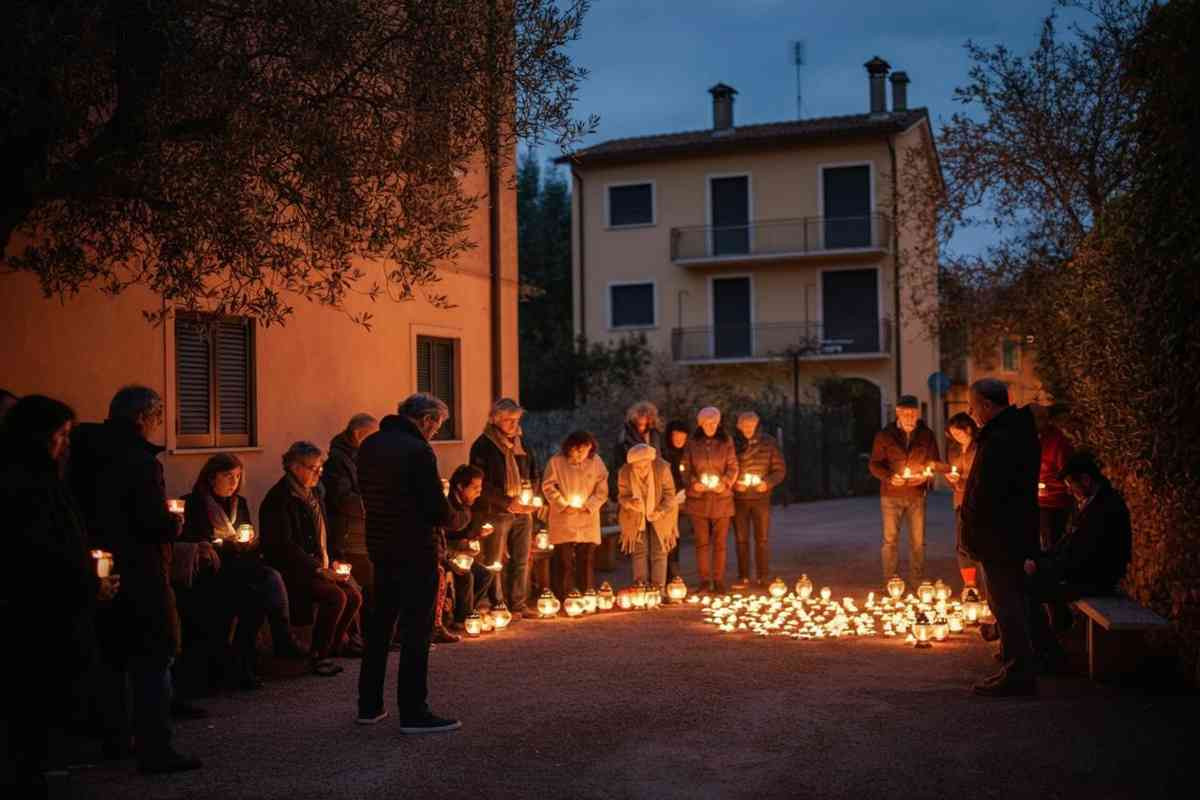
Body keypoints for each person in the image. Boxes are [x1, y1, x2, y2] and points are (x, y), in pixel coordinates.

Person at [69, 386, 201, 773]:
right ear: (144, 418)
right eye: (158, 418)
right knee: (152, 656)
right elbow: (149, 521)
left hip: (101, 568)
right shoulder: (140, 462)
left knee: (112, 656)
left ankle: (114, 737)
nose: (158, 426)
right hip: (142, 569)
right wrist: (173, 522)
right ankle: (155, 746)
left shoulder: (83, 454)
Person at [1, 395, 114, 793]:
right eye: (60, 435)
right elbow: (38, 557)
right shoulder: (25, 486)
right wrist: (87, 582)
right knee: (31, 718)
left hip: (56, 611)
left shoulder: (48, 480)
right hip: (36, 619)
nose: (65, 444)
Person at [357, 393, 469, 733]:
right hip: (415, 549)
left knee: (379, 629)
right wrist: (459, 518)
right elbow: (435, 508)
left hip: (380, 547)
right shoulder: (418, 450)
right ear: (426, 419)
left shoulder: (370, 445)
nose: (435, 431)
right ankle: (413, 711)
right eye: (437, 425)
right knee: (416, 632)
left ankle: (369, 705)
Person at [180, 454, 306, 692]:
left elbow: (247, 540)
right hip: (211, 576)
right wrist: (227, 545)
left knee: (264, 588)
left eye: (237, 476)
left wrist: (249, 544)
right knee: (264, 588)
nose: (233, 482)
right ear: (211, 477)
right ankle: (278, 640)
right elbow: (195, 543)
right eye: (228, 476)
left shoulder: (241, 503)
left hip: (239, 570)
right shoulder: (193, 504)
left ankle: (244, 664)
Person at [961, 379, 1041, 697]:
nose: (970, 411)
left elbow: (990, 493)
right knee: (1006, 601)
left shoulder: (1002, 438)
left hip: (1000, 537)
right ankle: (1013, 666)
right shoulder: (1011, 432)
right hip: (1005, 534)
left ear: (987, 405)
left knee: (1005, 603)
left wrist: (973, 528)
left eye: (973, 405)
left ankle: (1019, 674)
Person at [260, 442, 362, 677]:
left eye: (320, 468)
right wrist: (318, 569)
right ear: (294, 467)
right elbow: (283, 546)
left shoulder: (315, 493)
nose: (319, 473)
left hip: (320, 565)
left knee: (354, 595)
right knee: (335, 596)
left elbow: (325, 532)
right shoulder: (279, 499)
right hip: (295, 570)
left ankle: (333, 645)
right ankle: (318, 655)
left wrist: (335, 560)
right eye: (313, 468)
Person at [1023, 453, 1132, 670]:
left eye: (1071, 485)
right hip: (1084, 571)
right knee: (1031, 582)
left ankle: (1050, 655)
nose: (1069, 491)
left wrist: (1043, 567)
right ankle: (1047, 644)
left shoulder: (1105, 508)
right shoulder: (1091, 502)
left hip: (1097, 578)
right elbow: (1067, 544)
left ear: (1086, 480)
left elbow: (1081, 554)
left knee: (1029, 590)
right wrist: (1040, 559)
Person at [469, 398, 538, 616]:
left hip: (522, 511)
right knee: (494, 561)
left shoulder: (522, 443)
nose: (513, 424)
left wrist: (531, 495)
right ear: (495, 420)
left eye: (516, 419)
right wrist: (508, 502)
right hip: (496, 511)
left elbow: (534, 470)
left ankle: (518, 603)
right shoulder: (483, 445)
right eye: (508, 420)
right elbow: (482, 483)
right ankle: (497, 604)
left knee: (521, 559)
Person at [868, 394, 941, 584]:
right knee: (890, 541)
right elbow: (874, 464)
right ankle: (890, 582)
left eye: (913, 413)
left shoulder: (927, 435)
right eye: (905, 413)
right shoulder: (884, 435)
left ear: (918, 414)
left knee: (917, 542)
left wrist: (925, 476)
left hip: (917, 495)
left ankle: (917, 582)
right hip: (890, 495)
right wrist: (889, 477)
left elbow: (934, 462)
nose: (909, 417)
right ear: (897, 413)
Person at [323, 413, 379, 648]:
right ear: (357, 435)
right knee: (364, 584)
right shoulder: (338, 460)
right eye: (372, 436)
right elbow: (341, 497)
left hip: (362, 532)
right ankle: (360, 637)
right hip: (349, 535)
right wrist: (373, 502)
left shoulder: (358, 455)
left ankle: (370, 636)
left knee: (371, 583)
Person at [542, 430, 608, 599]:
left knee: (586, 560)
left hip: (587, 517)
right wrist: (563, 505)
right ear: (570, 448)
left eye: (586, 451)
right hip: (564, 518)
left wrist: (589, 505)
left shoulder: (596, 462)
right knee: (563, 562)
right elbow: (548, 486)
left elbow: (602, 489)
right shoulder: (556, 462)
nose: (581, 455)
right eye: (578, 451)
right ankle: (563, 597)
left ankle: (586, 595)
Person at [683, 406, 738, 595]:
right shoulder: (692, 442)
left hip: (721, 500)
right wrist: (693, 483)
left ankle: (719, 580)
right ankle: (705, 580)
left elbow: (733, 466)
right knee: (702, 543)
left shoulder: (726, 441)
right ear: (701, 424)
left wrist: (725, 483)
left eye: (714, 422)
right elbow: (685, 467)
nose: (711, 425)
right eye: (707, 422)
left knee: (720, 543)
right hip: (699, 500)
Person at [730, 412, 787, 589]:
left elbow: (779, 469)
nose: (747, 429)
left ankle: (763, 576)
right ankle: (743, 577)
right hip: (739, 499)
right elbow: (725, 468)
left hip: (761, 499)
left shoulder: (768, 443)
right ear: (739, 427)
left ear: (756, 425)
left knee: (762, 539)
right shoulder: (732, 443)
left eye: (750, 425)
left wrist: (767, 483)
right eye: (744, 426)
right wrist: (734, 484)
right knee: (741, 539)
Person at [618, 444, 679, 594]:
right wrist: (630, 503)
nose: (642, 470)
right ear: (632, 465)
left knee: (659, 551)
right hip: (635, 517)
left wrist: (660, 510)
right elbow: (622, 496)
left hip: (661, 515)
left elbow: (670, 494)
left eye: (645, 466)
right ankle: (641, 587)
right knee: (639, 551)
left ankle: (658, 590)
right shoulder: (625, 473)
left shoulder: (662, 468)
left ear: (651, 462)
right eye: (638, 467)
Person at [443, 465, 494, 631]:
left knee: (485, 574)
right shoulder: (446, 504)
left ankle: (465, 612)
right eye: (475, 488)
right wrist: (458, 548)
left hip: (459, 553)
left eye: (480, 488)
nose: (479, 492)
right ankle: (462, 619)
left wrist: (477, 535)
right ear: (459, 486)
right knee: (467, 575)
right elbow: (445, 534)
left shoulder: (469, 504)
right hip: (443, 553)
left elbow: (466, 532)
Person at [943, 412, 985, 597]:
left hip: (978, 502)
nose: (956, 437)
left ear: (968, 429)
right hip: (960, 501)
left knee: (980, 543)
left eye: (959, 433)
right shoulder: (954, 449)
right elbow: (954, 473)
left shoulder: (980, 447)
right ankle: (970, 585)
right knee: (962, 544)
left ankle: (987, 587)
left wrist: (961, 481)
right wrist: (952, 479)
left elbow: (981, 476)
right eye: (953, 434)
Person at [1031, 404, 1075, 552]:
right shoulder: (1030, 439)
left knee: (1050, 545)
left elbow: (1067, 473)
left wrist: (1049, 485)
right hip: (1034, 503)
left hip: (1053, 504)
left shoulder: (1057, 442)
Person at [610, 401, 663, 499]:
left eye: (645, 419)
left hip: (652, 475)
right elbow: (619, 458)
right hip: (632, 475)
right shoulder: (625, 435)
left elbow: (658, 454)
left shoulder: (654, 434)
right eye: (639, 420)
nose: (641, 424)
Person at [661, 420, 690, 580]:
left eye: (683, 437)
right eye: (676, 436)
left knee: (676, 538)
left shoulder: (688, 454)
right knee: (666, 538)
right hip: (666, 502)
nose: (679, 440)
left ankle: (674, 574)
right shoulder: (664, 455)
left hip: (681, 501)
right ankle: (664, 574)